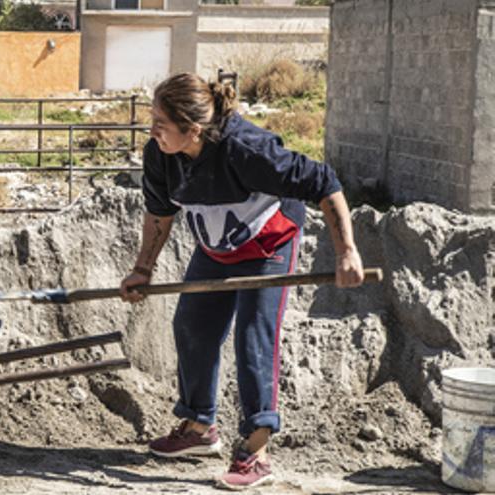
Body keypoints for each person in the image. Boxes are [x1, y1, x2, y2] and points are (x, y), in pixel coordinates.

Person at [119, 73, 365, 490]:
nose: (152, 129)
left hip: (268, 244)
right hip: (216, 244)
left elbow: (325, 183)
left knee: (253, 336)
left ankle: (256, 448)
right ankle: (199, 428)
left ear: (193, 130)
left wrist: (346, 251)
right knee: (192, 325)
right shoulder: (160, 154)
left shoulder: (247, 150)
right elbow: (159, 213)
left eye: (160, 121)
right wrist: (143, 269)